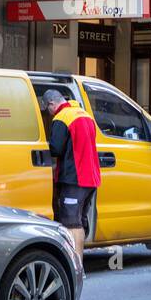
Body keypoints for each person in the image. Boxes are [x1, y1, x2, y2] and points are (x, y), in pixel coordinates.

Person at [42, 89, 101, 255]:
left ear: (52, 104)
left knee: (71, 224)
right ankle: (79, 265)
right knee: (79, 221)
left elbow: (56, 148)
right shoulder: (85, 114)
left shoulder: (62, 117)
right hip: (90, 179)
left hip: (74, 180)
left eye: (48, 109)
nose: (50, 113)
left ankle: (75, 265)